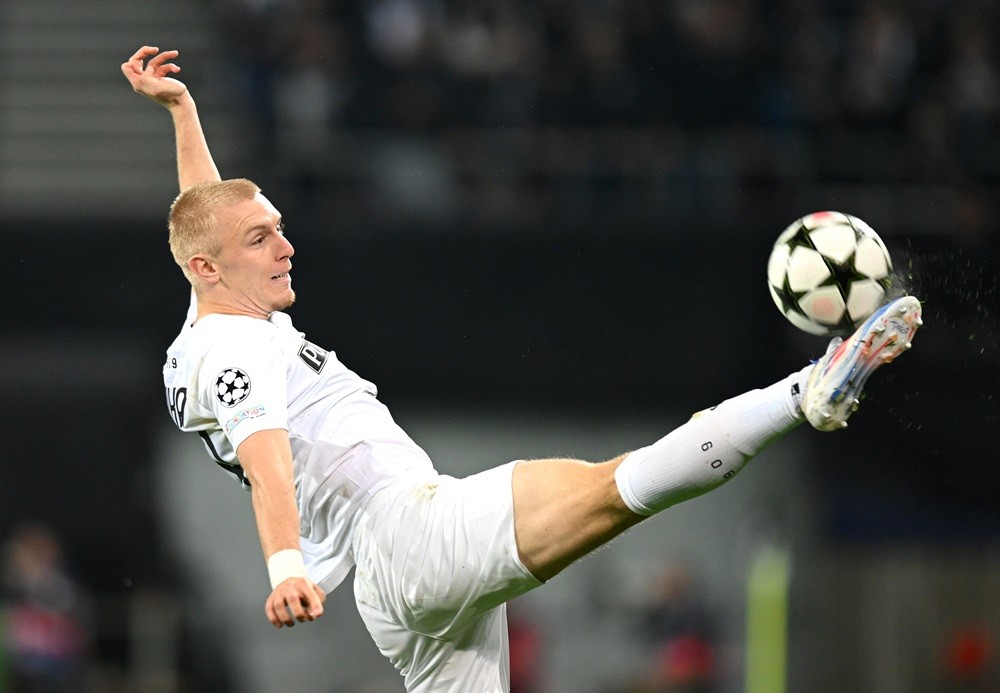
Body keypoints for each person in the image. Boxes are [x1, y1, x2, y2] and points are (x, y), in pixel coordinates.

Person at [122, 46, 923, 692]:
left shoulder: (210, 311)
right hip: (407, 533)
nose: (284, 245)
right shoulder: (240, 349)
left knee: (620, 490)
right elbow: (267, 460)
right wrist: (285, 567)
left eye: (278, 227)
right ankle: (807, 392)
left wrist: (184, 114)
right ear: (210, 266)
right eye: (262, 239)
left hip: (392, 586)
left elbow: (208, 214)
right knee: (622, 487)